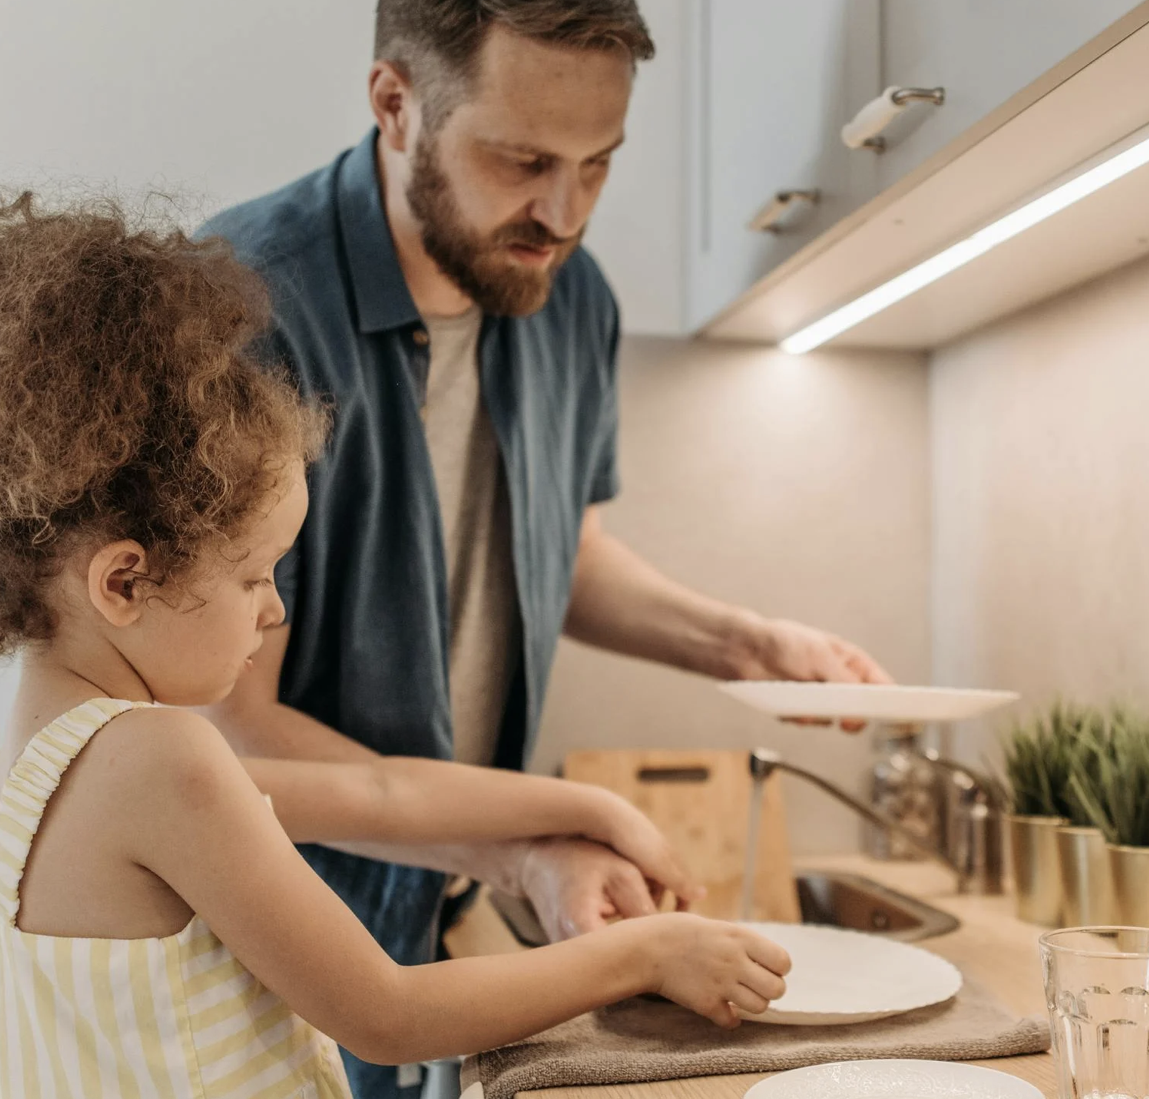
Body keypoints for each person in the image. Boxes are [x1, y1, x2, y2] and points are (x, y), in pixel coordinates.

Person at [199, 3, 886, 1093]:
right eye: (523, 160)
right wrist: (519, 843)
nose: (562, 214)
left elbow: (557, 555)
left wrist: (740, 643)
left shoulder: (570, 299)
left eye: (598, 165)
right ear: (395, 105)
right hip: (270, 941)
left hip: (444, 900)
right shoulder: (244, 304)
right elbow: (235, 741)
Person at [0, 193, 791, 1099]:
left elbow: (381, 789)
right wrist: (645, 952)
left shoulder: (49, 743)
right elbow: (388, 1011)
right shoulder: (160, 759)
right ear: (125, 582)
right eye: (258, 575)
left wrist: (589, 810)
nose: (271, 614)